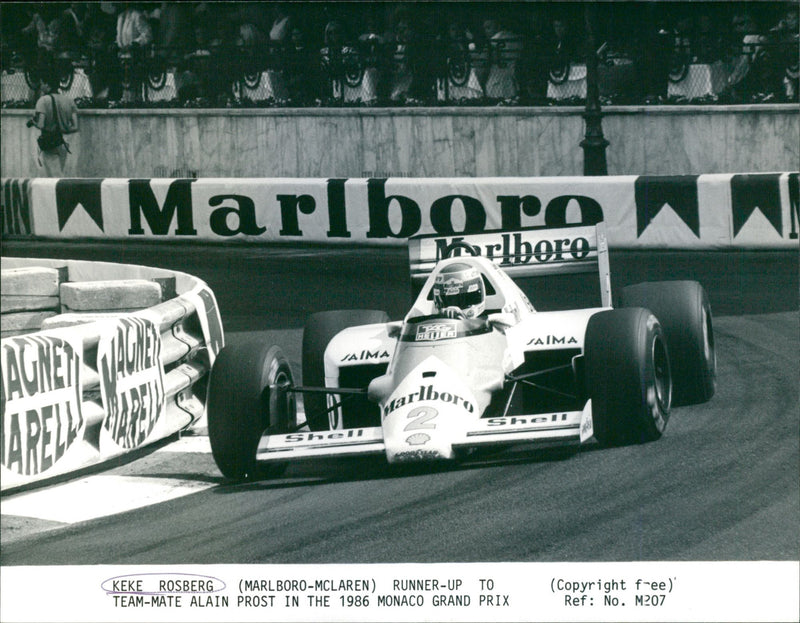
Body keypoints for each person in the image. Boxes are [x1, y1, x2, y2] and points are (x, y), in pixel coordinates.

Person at [28, 74, 79, 177]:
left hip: (50, 143)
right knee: (58, 174)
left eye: (42, 83)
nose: (41, 86)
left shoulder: (43, 101)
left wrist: (33, 122)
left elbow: (41, 125)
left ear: (48, 85)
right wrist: (64, 128)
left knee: (55, 179)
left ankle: (64, 193)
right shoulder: (69, 101)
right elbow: (75, 127)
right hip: (64, 143)